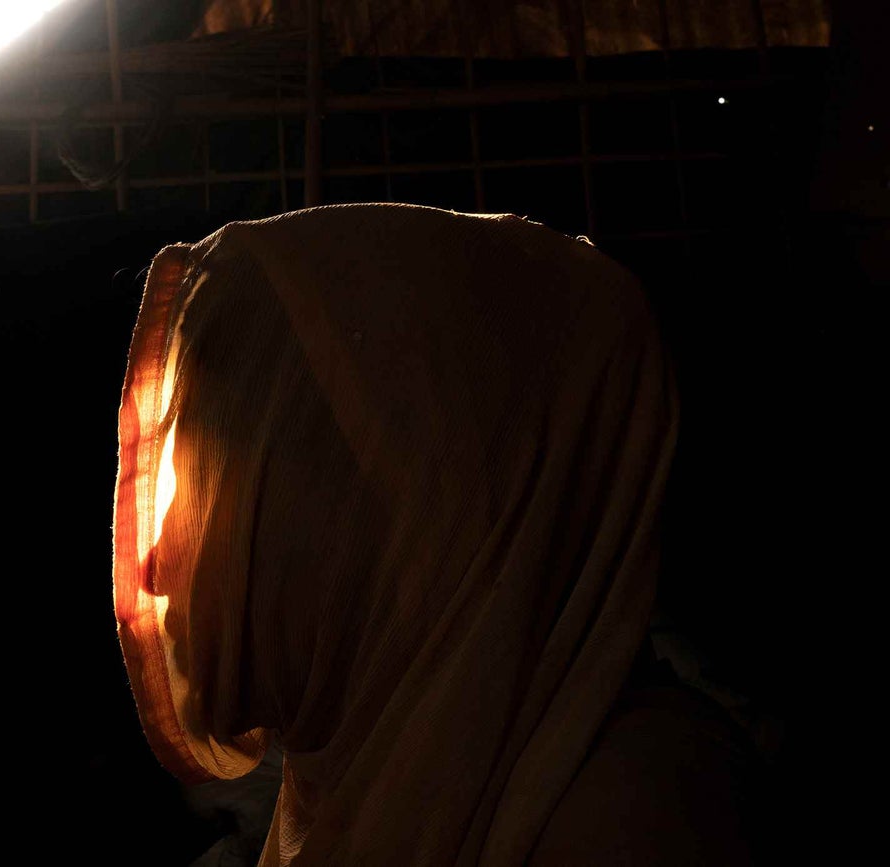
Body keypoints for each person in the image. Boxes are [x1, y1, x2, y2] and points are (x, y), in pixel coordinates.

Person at [112, 204, 757, 865]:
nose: (156, 566)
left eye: (214, 497)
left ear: (373, 518)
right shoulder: (377, 764)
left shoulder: (631, 818)